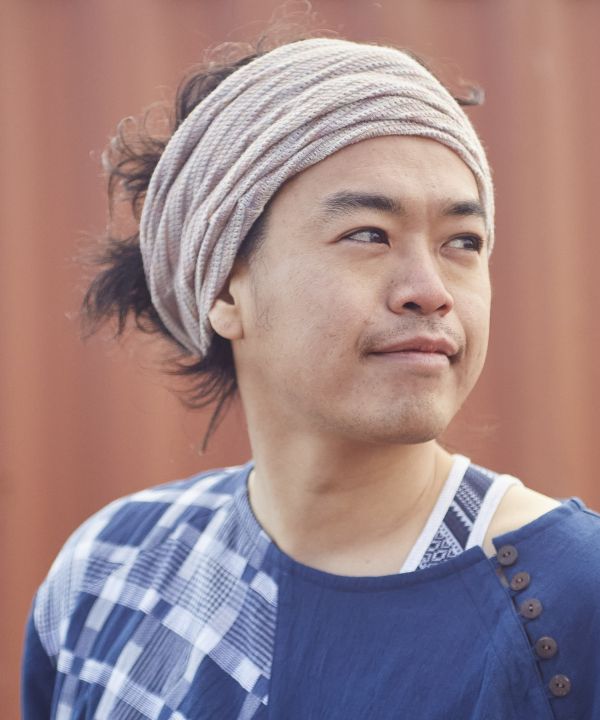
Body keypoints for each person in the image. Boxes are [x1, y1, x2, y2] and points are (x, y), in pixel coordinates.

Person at [21, 33, 600, 720]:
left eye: (462, 243)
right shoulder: (111, 572)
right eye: (368, 234)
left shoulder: (573, 596)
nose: (430, 291)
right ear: (225, 289)